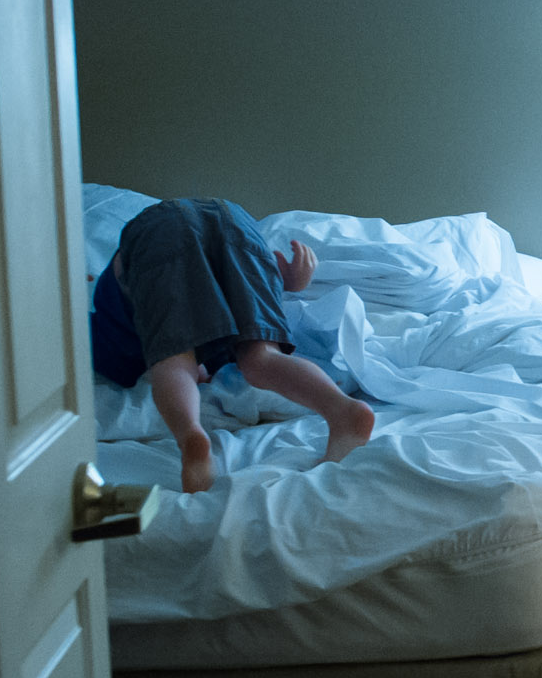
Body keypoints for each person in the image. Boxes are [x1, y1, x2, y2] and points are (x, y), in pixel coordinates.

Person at [88, 197, 374, 494]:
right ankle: (341, 411)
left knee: (173, 360)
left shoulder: (106, 312)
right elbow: (216, 294)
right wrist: (287, 284)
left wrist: (187, 364)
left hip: (156, 233)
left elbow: (145, 347)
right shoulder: (205, 315)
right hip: (236, 221)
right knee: (261, 356)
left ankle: (191, 438)